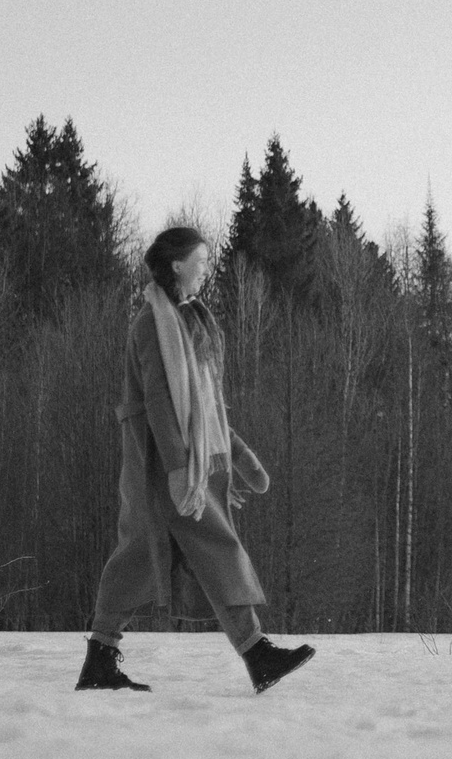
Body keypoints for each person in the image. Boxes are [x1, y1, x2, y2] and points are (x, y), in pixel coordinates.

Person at [76, 225, 315, 694]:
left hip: (190, 460)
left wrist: (236, 457)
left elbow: (207, 405)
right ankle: (257, 654)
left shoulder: (192, 321)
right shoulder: (151, 324)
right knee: (210, 546)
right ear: (176, 265)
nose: (206, 269)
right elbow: (160, 403)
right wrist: (178, 471)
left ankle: (101, 658)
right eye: (200, 261)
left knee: (144, 556)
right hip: (162, 462)